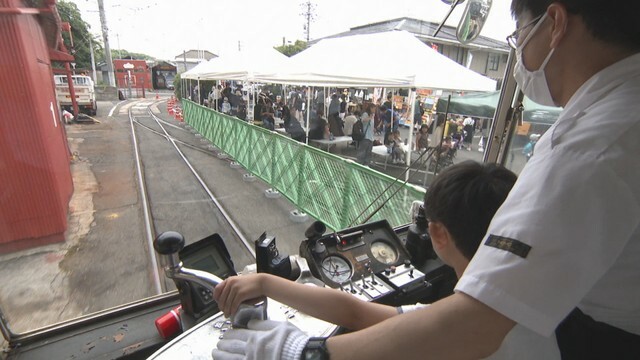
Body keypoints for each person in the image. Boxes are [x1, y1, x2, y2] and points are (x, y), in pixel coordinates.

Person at [212, 1, 640, 359]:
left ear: (556, 23)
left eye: (521, 33)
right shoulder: (614, 121)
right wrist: (268, 283)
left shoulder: (592, 144)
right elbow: (366, 314)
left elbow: (471, 325)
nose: (519, 54)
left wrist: (305, 353)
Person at [213, 162, 562, 360]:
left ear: (437, 235)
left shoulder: (460, 330)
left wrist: (296, 352)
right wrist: (265, 283)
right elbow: (356, 312)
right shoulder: (507, 307)